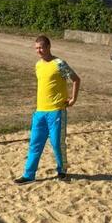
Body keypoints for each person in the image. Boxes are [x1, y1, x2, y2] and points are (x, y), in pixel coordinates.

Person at [15, 35, 80, 184]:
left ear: (48, 47)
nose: (39, 51)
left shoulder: (59, 64)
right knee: (35, 143)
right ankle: (29, 174)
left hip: (56, 111)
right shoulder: (38, 65)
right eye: (36, 48)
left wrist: (73, 99)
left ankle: (62, 171)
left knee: (57, 143)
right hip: (40, 111)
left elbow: (75, 79)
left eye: (41, 47)